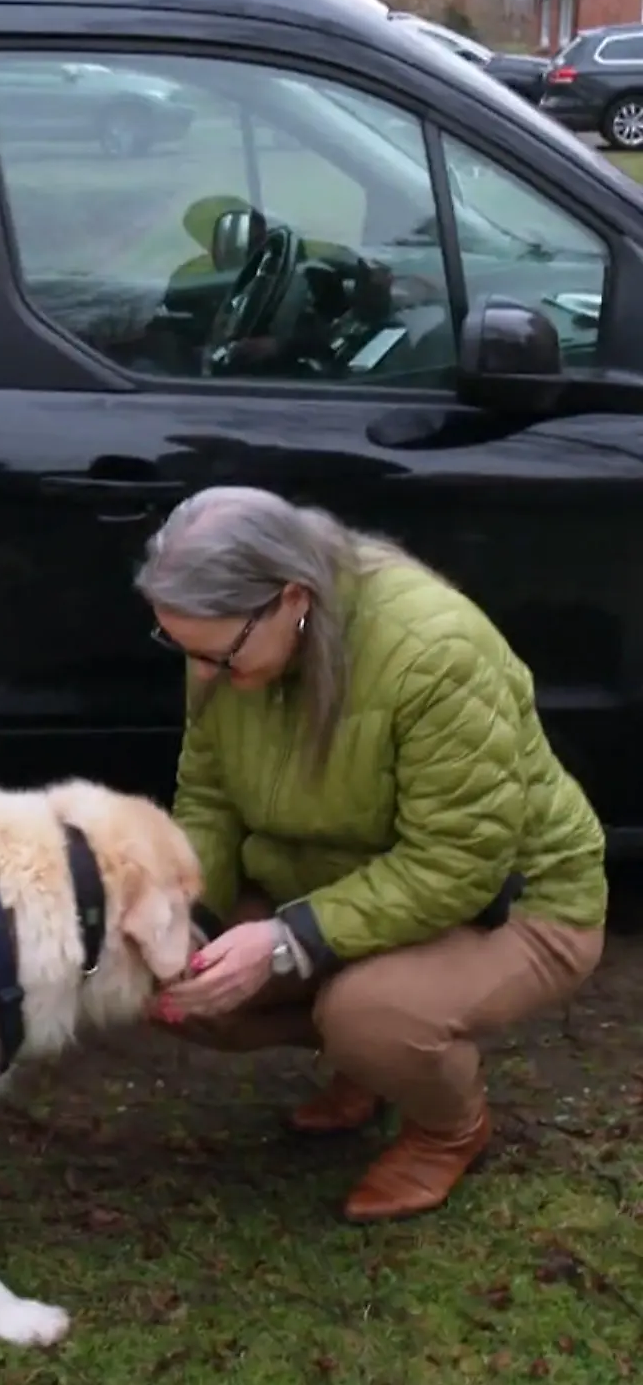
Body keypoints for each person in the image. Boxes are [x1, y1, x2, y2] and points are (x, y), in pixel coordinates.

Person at [137, 487, 606, 1223]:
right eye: (184, 651)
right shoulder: (233, 642)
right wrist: (185, 916)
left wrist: (289, 942)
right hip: (341, 887)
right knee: (168, 980)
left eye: (218, 656)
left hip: (514, 902)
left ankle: (446, 1128)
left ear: (292, 598)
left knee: (369, 1015)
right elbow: (210, 799)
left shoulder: (436, 653)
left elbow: (457, 862)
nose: (201, 677)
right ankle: (369, 1062)